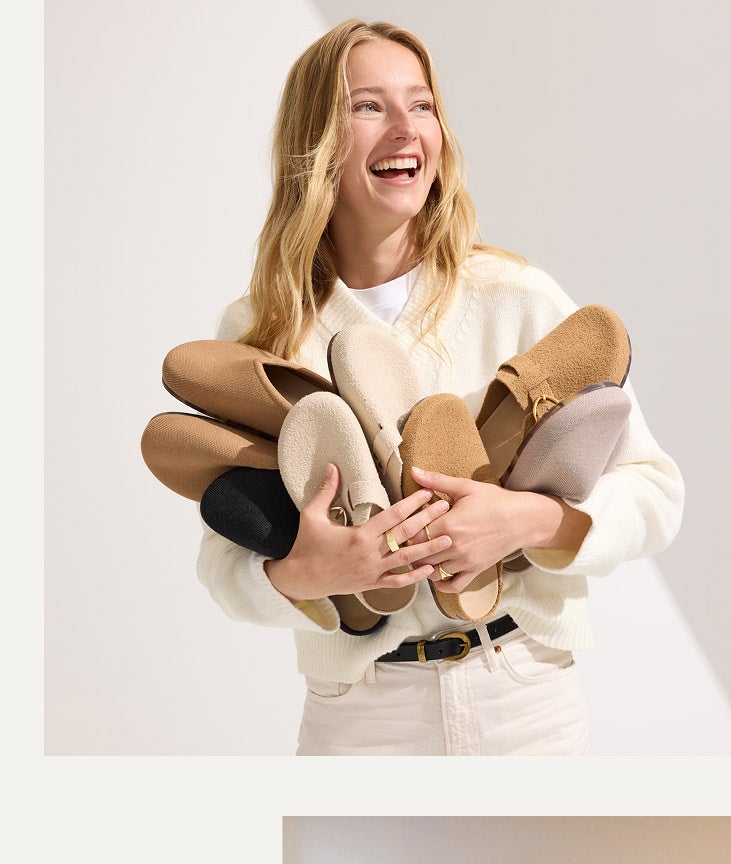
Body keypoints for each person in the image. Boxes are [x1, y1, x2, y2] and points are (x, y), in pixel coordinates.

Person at [196, 20, 681, 754]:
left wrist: (526, 522)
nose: (406, 128)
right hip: (360, 715)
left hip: (524, 694)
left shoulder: (515, 296)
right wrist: (303, 573)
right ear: (314, 141)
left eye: (422, 105)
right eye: (368, 106)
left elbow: (655, 493)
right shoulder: (264, 332)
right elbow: (221, 563)